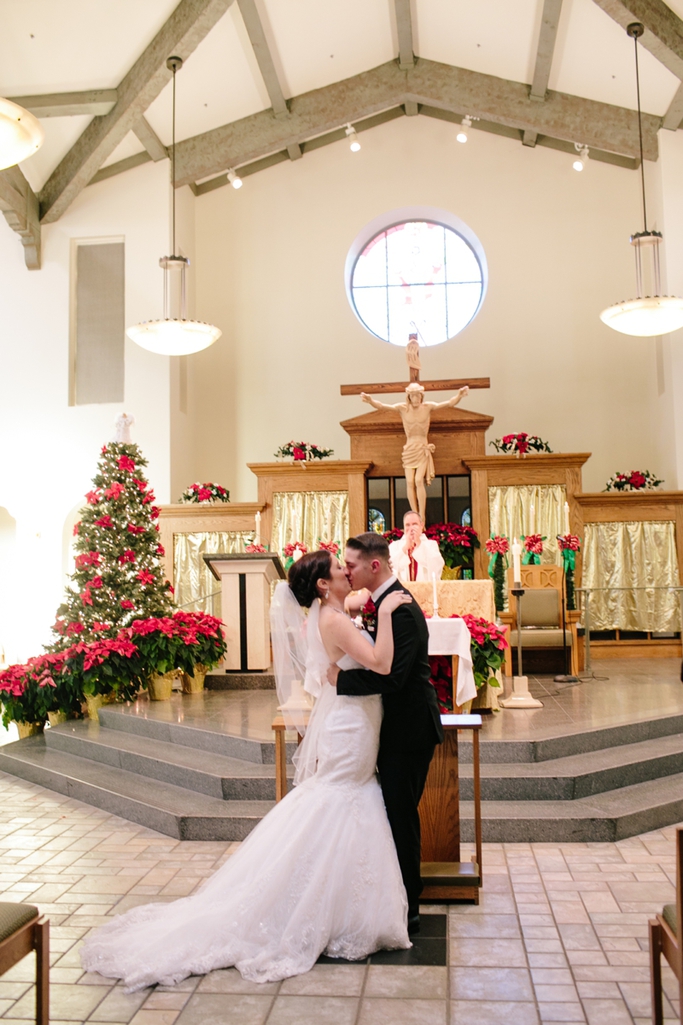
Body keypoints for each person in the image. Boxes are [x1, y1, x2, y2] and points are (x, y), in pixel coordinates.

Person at [80, 549, 412, 990]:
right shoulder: (331, 620)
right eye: (338, 568)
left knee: (340, 799)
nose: (345, 572)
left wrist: (367, 601)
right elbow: (381, 662)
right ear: (322, 585)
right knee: (342, 798)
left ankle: (334, 904)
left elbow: (349, 612)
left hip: (350, 719)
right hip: (349, 726)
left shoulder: (327, 610)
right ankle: (329, 910)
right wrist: (387, 611)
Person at [328, 532, 443, 935]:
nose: (346, 569)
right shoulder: (383, 602)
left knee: (401, 817)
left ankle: (410, 906)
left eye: (352, 564)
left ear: (374, 565)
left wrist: (339, 681)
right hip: (392, 729)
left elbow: (393, 679)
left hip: (409, 730)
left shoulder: (402, 608)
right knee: (393, 814)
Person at [361, 382, 469, 522]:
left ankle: (421, 515)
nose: (416, 398)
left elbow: (449, 403)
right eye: (413, 396)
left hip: (422, 448)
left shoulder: (428, 407)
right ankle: (414, 513)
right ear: (409, 396)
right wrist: (370, 401)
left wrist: (459, 395)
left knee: (419, 480)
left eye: (418, 395)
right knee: (410, 481)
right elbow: (382, 406)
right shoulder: (403, 409)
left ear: (421, 396)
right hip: (409, 449)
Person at [389, 510, 445, 583]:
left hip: (425, 591)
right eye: (407, 525)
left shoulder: (431, 545)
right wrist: (406, 547)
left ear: (421, 525)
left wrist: (418, 543)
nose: (411, 528)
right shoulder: (395, 546)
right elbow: (389, 568)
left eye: (414, 524)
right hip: (402, 592)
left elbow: (436, 567)